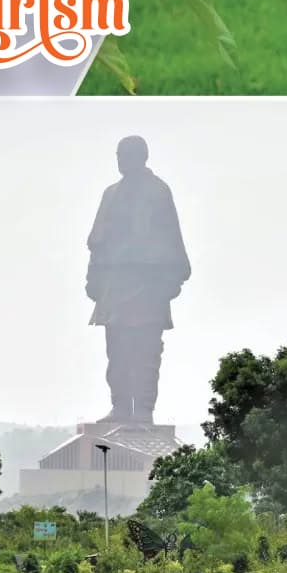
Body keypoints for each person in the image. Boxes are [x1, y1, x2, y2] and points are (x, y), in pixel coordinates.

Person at [85, 135, 191, 423]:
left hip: (148, 282)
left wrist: (172, 279)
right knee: (116, 350)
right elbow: (98, 240)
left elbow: (172, 235)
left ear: (140, 157)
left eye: (124, 155)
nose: (119, 160)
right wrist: (92, 276)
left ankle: (143, 410)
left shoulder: (158, 191)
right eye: (117, 154)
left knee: (146, 350)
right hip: (115, 282)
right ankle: (120, 407)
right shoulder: (111, 193)